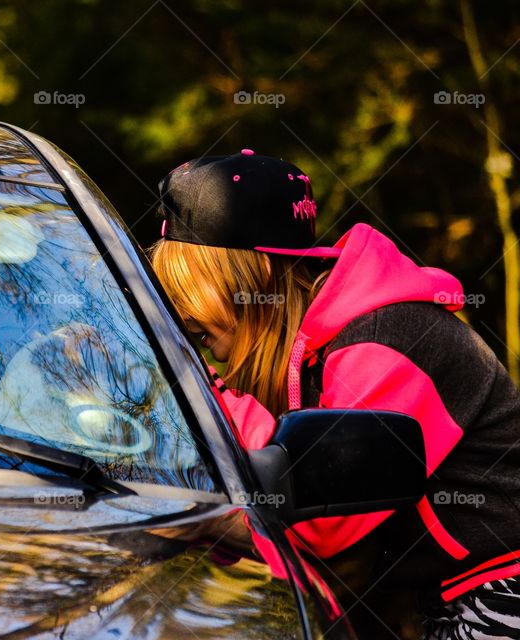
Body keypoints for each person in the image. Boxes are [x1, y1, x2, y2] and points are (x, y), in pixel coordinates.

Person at [149, 149, 520, 639]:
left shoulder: (386, 338)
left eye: (186, 282)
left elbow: (319, 521)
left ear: (250, 276)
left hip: (501, 593)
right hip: (455, 596)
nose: (179, 309)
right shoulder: (321, 348)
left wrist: (191, 387)